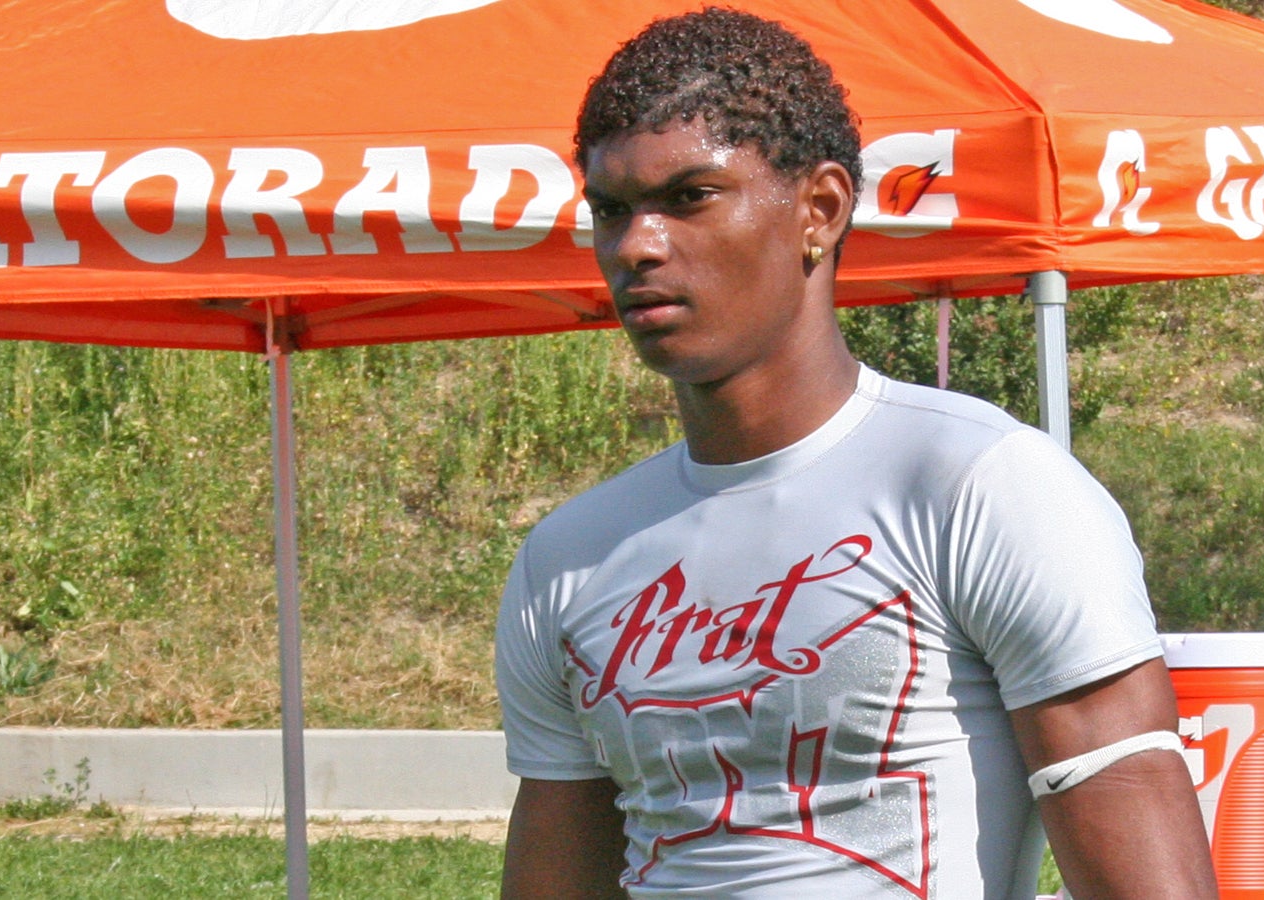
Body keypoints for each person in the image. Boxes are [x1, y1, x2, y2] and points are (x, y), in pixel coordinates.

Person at [494, 8, 1219, 898]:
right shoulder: (569, 559)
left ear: (822, 208)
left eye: (689, 197)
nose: (637, 245)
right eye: (612, 210)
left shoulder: (979, 486)